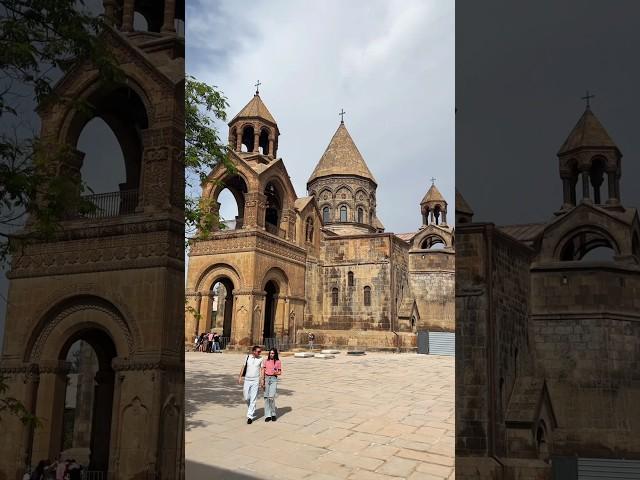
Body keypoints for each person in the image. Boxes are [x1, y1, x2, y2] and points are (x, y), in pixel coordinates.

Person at [237, 345, 264, 424]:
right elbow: (243, 367)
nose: (260, 353)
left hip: (255, 380)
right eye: (258, 351)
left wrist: (262, 379)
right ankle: (251, 409)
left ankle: (250, 416)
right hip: (247, 380)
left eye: (260, 351)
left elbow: (262, 369)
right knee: (246, 397)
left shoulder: (261, 359)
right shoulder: (248, 357)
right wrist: (240, 377)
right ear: (254, 351)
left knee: (253, 398)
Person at [261, 348, 282, 422]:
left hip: (273, 379)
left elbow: (280, 372)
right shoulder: (266, 361)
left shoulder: (278, 362)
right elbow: (263, 370)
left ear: (275, 354)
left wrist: (275, 373)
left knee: (271, 397)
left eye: (273, 353)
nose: (271, 354)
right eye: (270, 353)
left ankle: (273, 414)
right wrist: (262, 380)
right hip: (266, 379)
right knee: (266, 398)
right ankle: (267, 415)